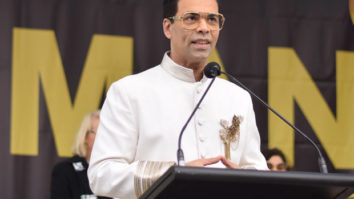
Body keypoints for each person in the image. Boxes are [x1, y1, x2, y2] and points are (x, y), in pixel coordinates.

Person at [88, 0, 268, 198]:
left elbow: (258, 171)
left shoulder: (237, 97)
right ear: (168, 27)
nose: (204, 28)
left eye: (212, 19)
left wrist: (241, 179)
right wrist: (175, 174)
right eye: (191, 18)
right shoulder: (129, 92)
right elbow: (102, 174)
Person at [50, 110, 111, 199]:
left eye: (109, 133)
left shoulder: (120, 169)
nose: (105, 137)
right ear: (85, 136)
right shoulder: (65, 171)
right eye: (100, 132)